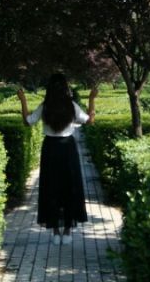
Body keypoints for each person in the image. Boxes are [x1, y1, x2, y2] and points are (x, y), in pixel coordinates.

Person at [17, 74, 98, 246]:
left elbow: (27, 121)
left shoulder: (45, 106)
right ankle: (67, 230)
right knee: (70, 186)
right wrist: (92, 99)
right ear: (65, 88)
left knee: (51, 187)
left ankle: (55, 231)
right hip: (68, 148)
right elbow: (90, 121)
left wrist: (23, 100)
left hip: (50, 149)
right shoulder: (71, 106)